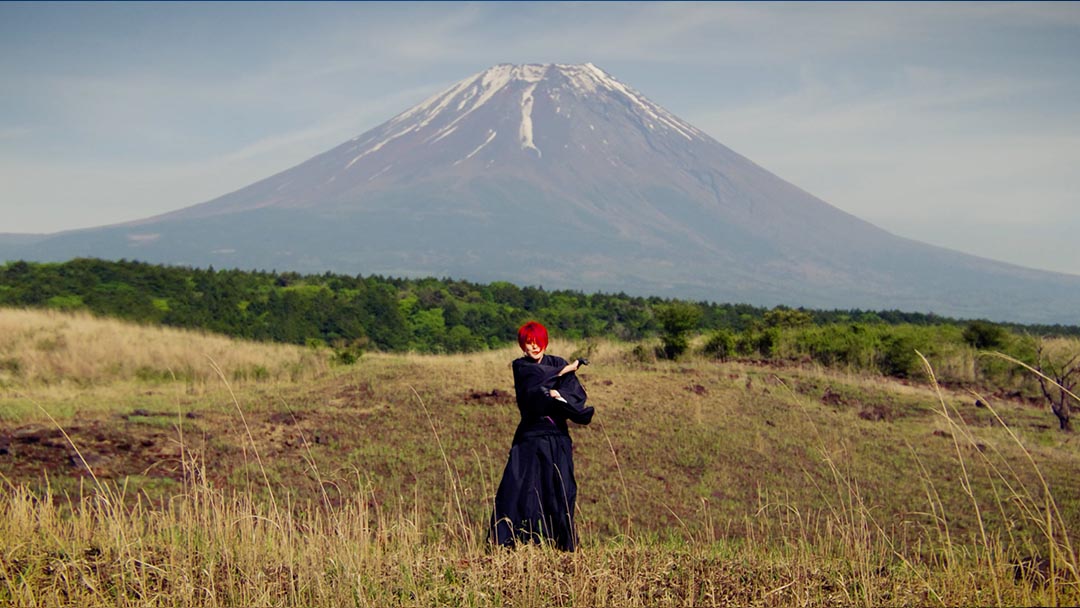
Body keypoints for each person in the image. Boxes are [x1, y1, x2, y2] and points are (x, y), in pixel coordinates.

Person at [489, 321, 594, 552]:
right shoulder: (521, 367)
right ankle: (506, 545)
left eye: (538, 342)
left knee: (561, 490)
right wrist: (566, 370)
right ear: (522, 346)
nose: (534, 347)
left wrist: (558, 394)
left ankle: (564, 547)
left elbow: (575, 394)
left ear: (545, 342)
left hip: (557, 436)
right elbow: (536, 384)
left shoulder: (556, 361)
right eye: (529, 343)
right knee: (516, 487)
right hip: (530, 437)